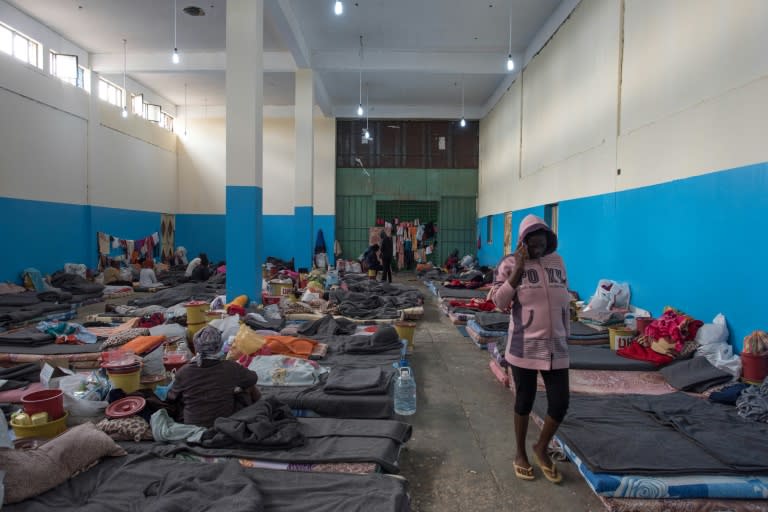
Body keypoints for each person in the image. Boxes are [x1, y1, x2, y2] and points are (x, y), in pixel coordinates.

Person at [488, 214, 570, 484]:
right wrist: (518, 269)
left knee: (560, 403)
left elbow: (564, 301)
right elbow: (499, 302)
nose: (538, 249)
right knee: (524, 402)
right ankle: (520, 453)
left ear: (548, 241)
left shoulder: (557, 262)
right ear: (523, 243)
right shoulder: (509, 263)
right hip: (524, 345)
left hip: (556, 346)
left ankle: (541, 448)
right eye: (532, 244)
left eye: (542, 243)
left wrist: (565, 332)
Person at [167, 326, 261, 428]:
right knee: (248, 385)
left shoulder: (183, 371)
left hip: (193, 424)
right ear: (219, 346)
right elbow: (253, 378)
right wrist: (236, 388)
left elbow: (171, 397)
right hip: (224, 421)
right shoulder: (230, 367)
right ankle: (257, 410)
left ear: (196, 346)